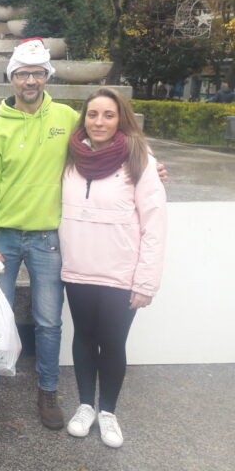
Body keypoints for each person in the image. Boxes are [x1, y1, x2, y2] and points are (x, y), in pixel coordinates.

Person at [0, 38, 167, 430]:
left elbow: (105, 144)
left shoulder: (65, 118)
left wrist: (152, 167)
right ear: (12, 78)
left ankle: (47, 391)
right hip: (5, 235)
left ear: (47, 77)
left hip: (48, 238)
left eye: (38, 73)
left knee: (48, 322)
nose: (30, 80)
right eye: (23, 73)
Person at [60, 88, 166, 448]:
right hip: (78, 268)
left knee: (113, 341)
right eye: (93, 114)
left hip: (121, 273)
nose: (99, 122)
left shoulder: (139, 157)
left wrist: (146, 282)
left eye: (108, 114)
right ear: (84, 118)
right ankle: (85, 405)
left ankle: (108, 411)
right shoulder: (71, 156)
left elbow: (154, 223)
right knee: (84, 337)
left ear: (121, 118)